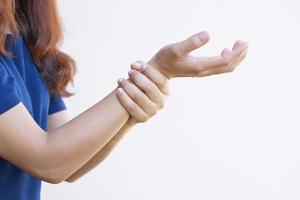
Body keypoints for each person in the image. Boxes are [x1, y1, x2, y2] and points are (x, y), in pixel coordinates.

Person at [0, 1, 248, 200]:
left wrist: (132, 108)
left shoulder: (25, 45)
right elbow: (48, 162)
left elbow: (71, 164)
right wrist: (157, 70)